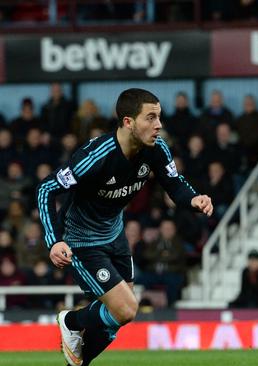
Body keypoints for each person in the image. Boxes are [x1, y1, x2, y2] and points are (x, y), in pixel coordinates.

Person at [36, 88, 213, 366]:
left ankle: (80, 361)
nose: (159, 125)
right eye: (151, 117)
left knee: (117, 318)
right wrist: (54, 240)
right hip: (82, 241)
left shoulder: (156, 149)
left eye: (160, 117)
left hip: (115, 235)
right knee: (127, 309)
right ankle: (70, 321)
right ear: (128, 122)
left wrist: (194, 198)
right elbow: (46, 189)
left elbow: (174, 183)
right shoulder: (95, 156)